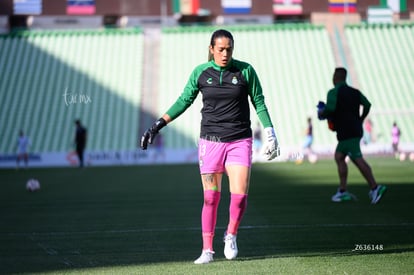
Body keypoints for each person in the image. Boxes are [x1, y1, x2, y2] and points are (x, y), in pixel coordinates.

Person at [140, 29, 280, 264]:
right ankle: (207, 250)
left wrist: (270, 132)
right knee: (210, 198)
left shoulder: (245, 70)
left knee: (239, 196)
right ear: (211, 49)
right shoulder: (201, 73)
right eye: (221, 49)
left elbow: (259, 101)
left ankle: (231, 235)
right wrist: (156, 125)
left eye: (229, 49)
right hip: (210, 142)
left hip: (239, 140)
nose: (225, 54)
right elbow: (183, 101)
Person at [318, 67, 386, 204]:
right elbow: (367, 105)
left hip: (346, 131)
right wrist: (361, 118)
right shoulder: (355, 92)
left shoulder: (333, 92)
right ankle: (343, 191)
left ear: (336, 78)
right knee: (339, 156)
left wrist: (322, 113)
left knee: (357, 159)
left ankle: (375, 187)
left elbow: (330, 109)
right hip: (354, 129)